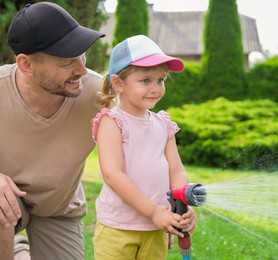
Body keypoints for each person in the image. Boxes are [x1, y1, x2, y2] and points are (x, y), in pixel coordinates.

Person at [0, 2, 105, 259]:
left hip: (59, 208)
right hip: (5, 203)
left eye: (82, 54)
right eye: (68, 61)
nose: (81, 69)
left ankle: (20, 252)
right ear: (26, 64)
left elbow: (141, 144)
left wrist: (160, 206)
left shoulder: (99, 93)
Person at [92, 35, 196, 260]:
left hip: (156, 227)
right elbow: (112, 174)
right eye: (145, 80)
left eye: (161, 80)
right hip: (118, 228)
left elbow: (176, 170)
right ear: (119, 83)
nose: (155, 88)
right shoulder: (112, 122)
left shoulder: (163, 124)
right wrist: (154, 212)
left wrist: (182, 208)